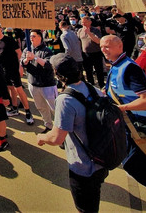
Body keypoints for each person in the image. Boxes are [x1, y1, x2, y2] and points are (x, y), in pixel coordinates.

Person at [101, 35, 146, 212]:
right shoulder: (115, 66)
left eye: (107, 46)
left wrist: (122, 108)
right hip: (128, 130)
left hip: (140, 130)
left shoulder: (129, 68)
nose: (103, 50)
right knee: (141, 172)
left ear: (119, 46)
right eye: (101, 47)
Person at [38, 53, 109, 213]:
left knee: (85, 208)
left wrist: (41, 137)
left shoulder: (65, 100)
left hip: (82, 166)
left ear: (57, 74)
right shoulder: (93, 89)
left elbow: (56, 138)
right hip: (101, 159)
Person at [0, 24, 34, 124]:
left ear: (1, 29)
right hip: (3, 70)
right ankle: (14, 108)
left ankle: (28, 111)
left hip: (13, 68)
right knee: (11, 88)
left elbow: (19, 53)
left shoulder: (9, 40)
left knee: (19, 89)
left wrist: (20, 67)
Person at [20, 30, 57, 133]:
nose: (31, 38)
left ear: (40, 37)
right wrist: (26, 60)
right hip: (33, 84)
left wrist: (35, 57)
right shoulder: (27, 50)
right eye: (30, 36)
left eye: (34, 36)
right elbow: (22, 62)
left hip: (47, 85)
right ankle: (48, 125)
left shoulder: (47, 50)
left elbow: (48, 64)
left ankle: (61, 130)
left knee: (54, 108)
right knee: (41, 107)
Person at [76, 15, 105, 88]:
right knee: (88, 71)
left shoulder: (95, 30)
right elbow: (79, 42)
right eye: (82, 22)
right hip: (85, 54)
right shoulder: (79, 31)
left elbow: (98, 41)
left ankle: (101, 84)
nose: (83, 24)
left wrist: (89, 33)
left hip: (96, 53)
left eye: (85, 22)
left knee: (99, 70)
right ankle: (91, 85)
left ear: (90, 22)